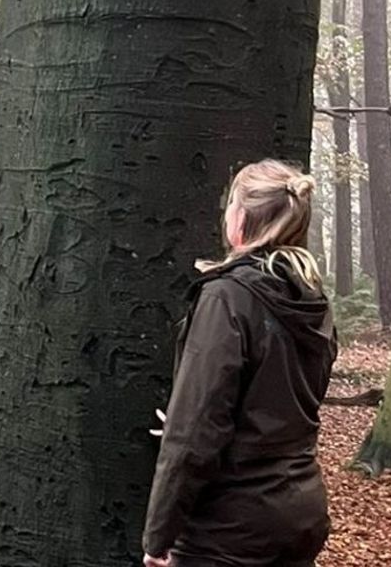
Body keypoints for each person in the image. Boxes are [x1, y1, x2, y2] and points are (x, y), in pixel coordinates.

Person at [143, 160, 338, 567]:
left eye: (232, 202)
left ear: (244, 219)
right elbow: (285, 402)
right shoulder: (312, 299)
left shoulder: (226, 297)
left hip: (230, 526)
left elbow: (196, 431)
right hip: (300, 512)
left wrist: (159, 536)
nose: (227, 212)